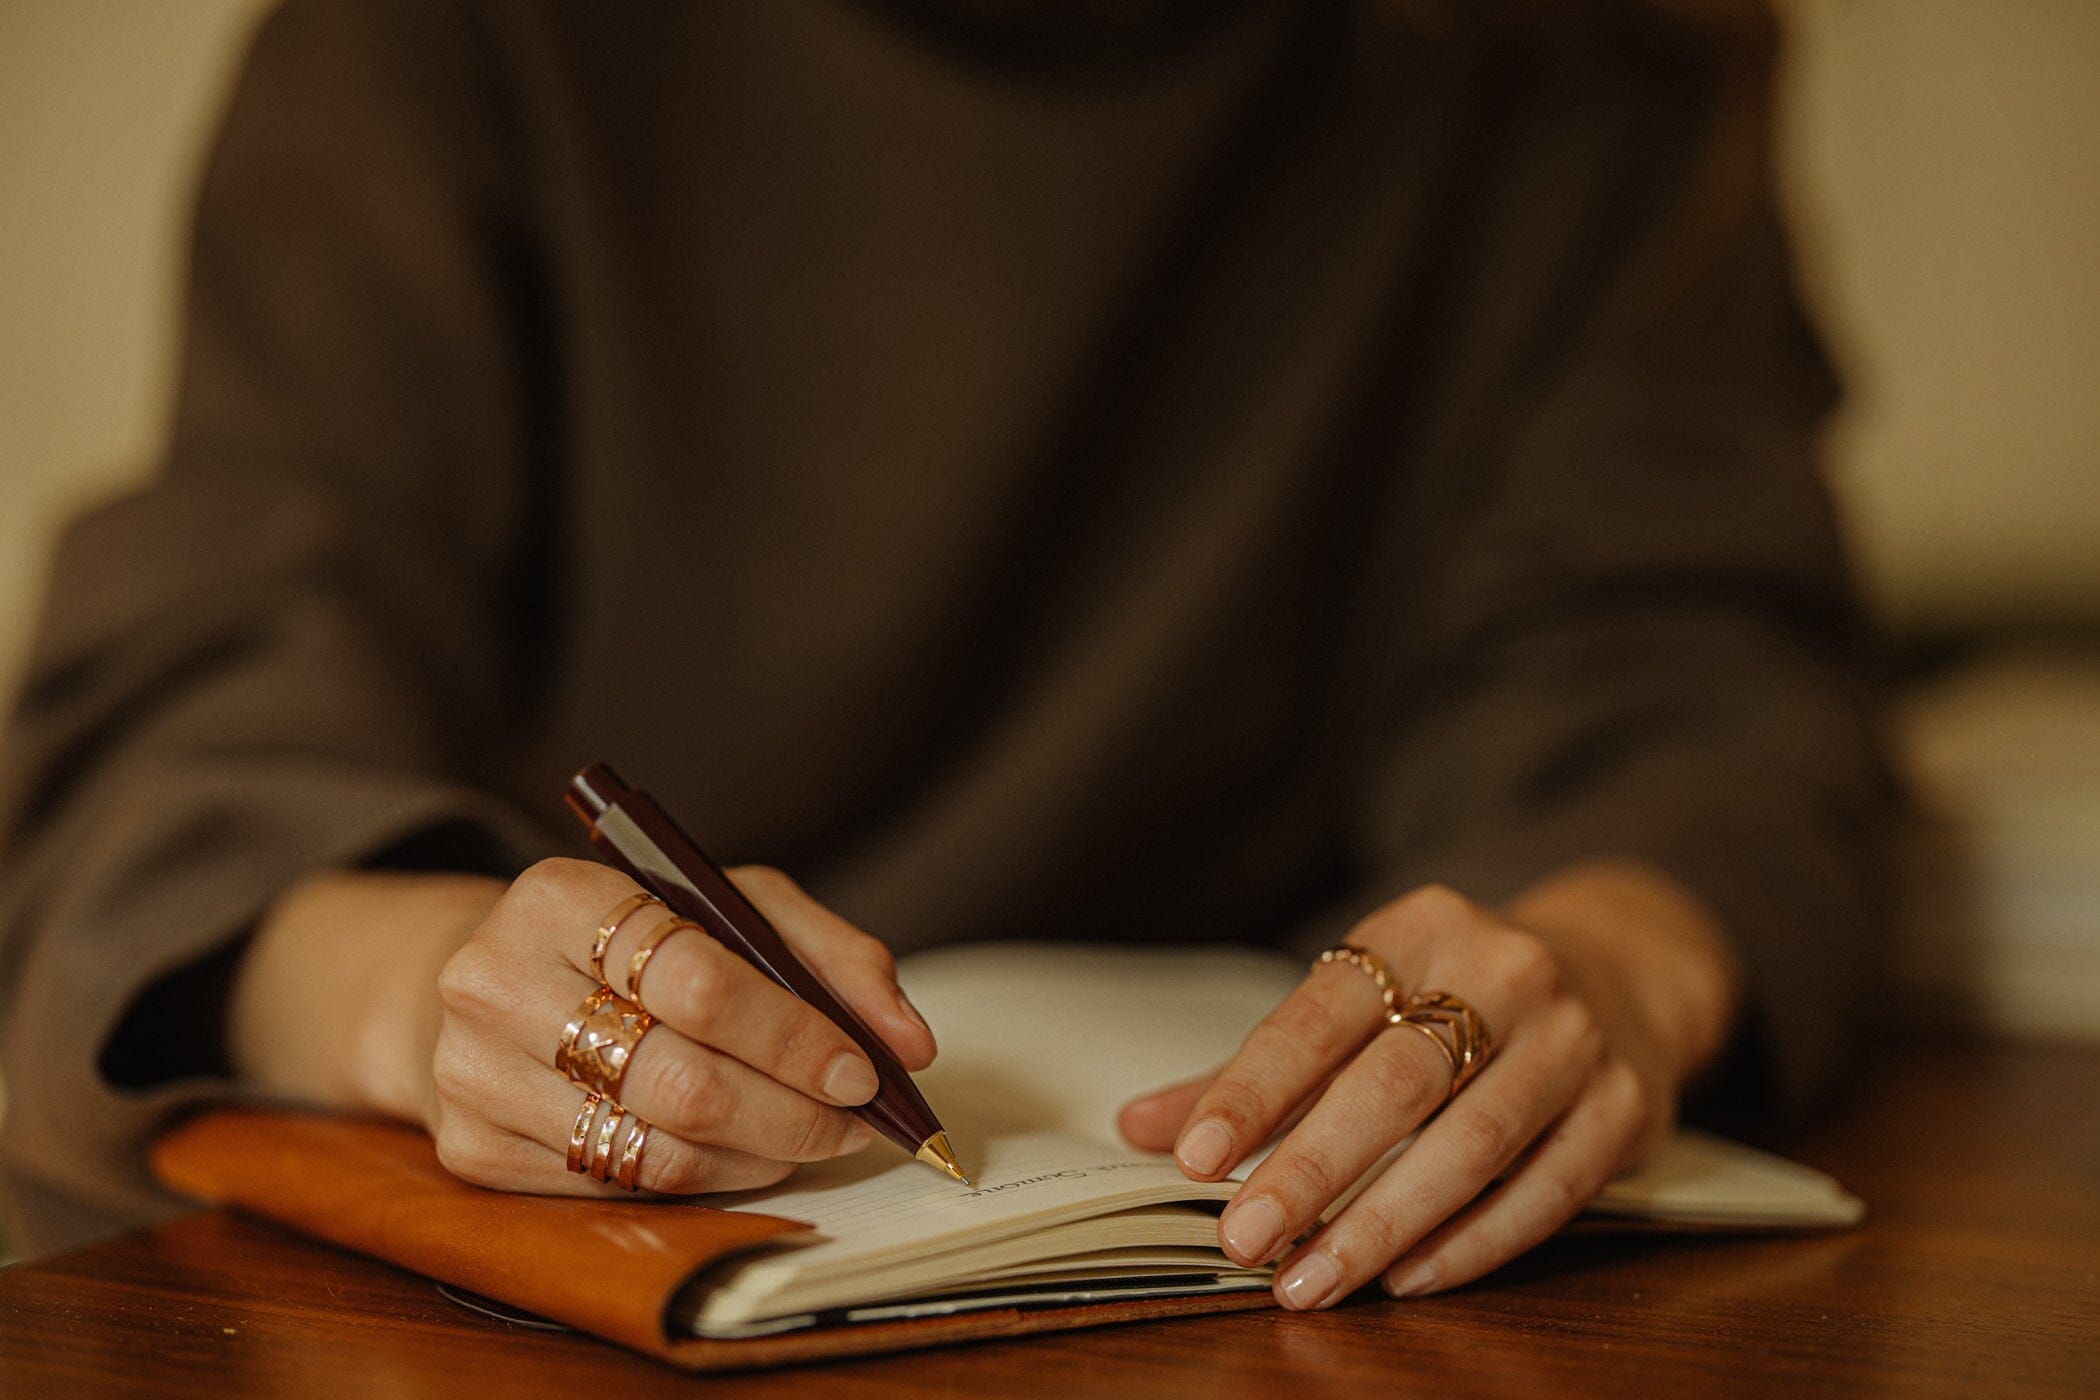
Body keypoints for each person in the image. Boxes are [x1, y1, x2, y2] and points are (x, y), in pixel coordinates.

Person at [0, 0, 1890, 1313]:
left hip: (1290, 1286)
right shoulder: (457, 40)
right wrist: (424, 989)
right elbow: (201, 697)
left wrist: (1620, 969)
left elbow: (1679, 662)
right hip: (540, 1274)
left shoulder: (1586, 59)